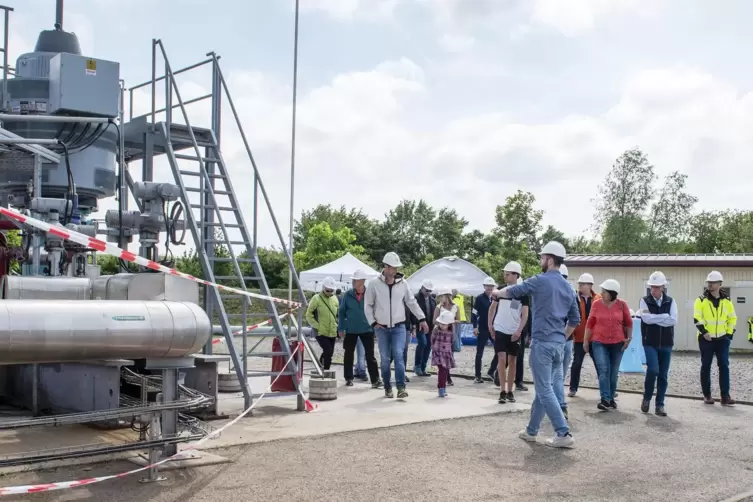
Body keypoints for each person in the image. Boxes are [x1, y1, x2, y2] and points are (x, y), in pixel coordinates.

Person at [493, 241, 579, 448]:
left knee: (544, 389)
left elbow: (514, 291)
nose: (540, 261)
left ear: (549, 260)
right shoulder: (568, 287)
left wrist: (496, 293)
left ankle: (563, 432)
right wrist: (562, 337)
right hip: (559, 344)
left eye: (542, 258)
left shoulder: (540, 280)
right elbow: (575, 320)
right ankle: (532, 430)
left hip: (542, 344)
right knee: (545, 388)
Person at [365, 252, 428, 399]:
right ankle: (387, 387)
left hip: (399, 327)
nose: (394, 271)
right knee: (385, 359)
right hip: (381, 328)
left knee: (399, 355)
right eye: (392, 267)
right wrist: (373, 322)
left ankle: (401, 387)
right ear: (385, 267)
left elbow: (411, 302)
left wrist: (422, 319)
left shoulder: (403, 284)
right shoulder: (374, 284)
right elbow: (368, 305)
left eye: (396, 268)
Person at [584, 279, 632, 411]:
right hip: (599, 341)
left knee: (613, 371)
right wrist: (586, 340)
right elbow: (590, 323)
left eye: (604, 291)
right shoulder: (596, 304)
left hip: (618, 343)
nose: (601, 293)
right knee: (603, 369)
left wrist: (629, 338)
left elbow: (628, 322)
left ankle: (610, 398)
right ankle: (605, 399)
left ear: (612, 293)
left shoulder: (622, 305)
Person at [694, 270, 737, 406]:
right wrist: (704, 332)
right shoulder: (701, 300)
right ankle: (707, 395)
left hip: (722, 339)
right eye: (709, 283)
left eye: (713, 283)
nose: (710, 285)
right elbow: (697, 318)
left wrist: (729, 334)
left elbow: (732, 318)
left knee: (724, 365)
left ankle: (725, 396)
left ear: (720, 284)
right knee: (706, 365)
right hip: (706, 339)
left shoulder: (727, 301)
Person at [488, 261, 529, 404]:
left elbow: (525, 313)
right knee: (501, 359)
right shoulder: (499, 291)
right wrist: (490, 325)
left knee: (513, 361)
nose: (505, 276)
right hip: (500, 329)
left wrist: (519, 331)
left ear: (516, 275)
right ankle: (502, 391)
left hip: (514, 332)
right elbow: (492, 308)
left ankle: (510, 391)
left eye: (508, 274)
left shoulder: (523, 293)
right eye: (504, 274)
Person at [639, 270, 676, 416]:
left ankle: (659, 405)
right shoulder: (644, 301)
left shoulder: (671, 301)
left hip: (666, 343)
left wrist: (656, 318)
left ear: (662, 287)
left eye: (656, 287)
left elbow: (673, 320)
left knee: (663, 375)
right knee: (653, 370)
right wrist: (663, 317)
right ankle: (647, 398)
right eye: (651, 287)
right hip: (650, 342)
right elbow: (646, 319)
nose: (653, 289)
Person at [339, 270, 381, 388]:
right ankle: (348, 378)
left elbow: (377, 309)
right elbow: (341, 312)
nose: (353, 282)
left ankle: (375, 380)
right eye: (353, 280)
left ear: (362, 281)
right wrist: (341, 327)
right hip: (351, 329)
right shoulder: (347, 295)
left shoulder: (370, 294)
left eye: (355, 280)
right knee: (348, 354)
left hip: (367, 328)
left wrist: (376, 324)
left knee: (370, 355)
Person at [568, 273, 600, 398]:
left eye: (582, 284)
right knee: (576, 363)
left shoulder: (598, 299)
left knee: (599, 364)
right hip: (579, 337)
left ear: (589, 285)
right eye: (579, 284)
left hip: (595, 338)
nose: (579, 286)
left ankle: (607, 389)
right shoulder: (575, 298)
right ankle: (573, 388)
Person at [305, 277, 341, 370]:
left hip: (332, 330)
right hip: (320, 331)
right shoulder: (316, 298)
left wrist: (337, 325)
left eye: (331, 290)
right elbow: (309, 314)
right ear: (323, 288)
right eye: (327, 290)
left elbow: (337, 314)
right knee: (328, 351)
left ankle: (321, 365)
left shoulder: (335, 299)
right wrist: (317, 326)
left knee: (330, 352)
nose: (329, 292)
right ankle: (326, 371)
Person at [553, 265, 575, 418]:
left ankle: (558, 404)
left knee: (558, 374)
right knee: (558, 374)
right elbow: (575, 319)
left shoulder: (554, 293)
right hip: (564, 338)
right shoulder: (570, 291)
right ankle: (560, 404)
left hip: (562, 339)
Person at [472, 276, 497, 383]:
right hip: (482, 328)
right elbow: (473, 314)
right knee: (479, 352)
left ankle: (491, 371)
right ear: (484, 286)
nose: (490, 288)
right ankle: (478, 375)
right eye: (488, 286)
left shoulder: (496, 298)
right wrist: (475, 327)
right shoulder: (479, 298)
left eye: (491, 286)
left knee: (499, 350)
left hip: (494, 329)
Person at [434, 287, 459, 386]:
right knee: (441, 357)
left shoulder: (455, 307)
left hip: (450, 333)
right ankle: (445, 377)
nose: (441, 299)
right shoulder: (439, 307)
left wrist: (450, 321)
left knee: (449, 355)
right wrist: (442, 322)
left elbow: (459, 320)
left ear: (447, 296)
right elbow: (434, 320)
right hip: (440, 334)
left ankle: (446, 376)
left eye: (442, 296)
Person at [411, 279, 436, 377]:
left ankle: (423, 367)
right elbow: (412, 312)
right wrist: (414, 325)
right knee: (422, 343)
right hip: (419, 325)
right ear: (422, 288)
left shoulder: (432, 300)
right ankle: (417, 366)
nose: (428, 293)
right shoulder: (415, 298)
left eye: (430, 291)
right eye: (427, 290)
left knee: (428, 345)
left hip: (430, 326)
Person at [432, 310, 456, 398]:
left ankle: (443, 387)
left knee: (445, 371)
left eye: (444, 324)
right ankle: (441, 388)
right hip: (438, 353)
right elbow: (432, 339)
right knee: (442, 370)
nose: (442, 325)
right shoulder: (436, 330)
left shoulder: (451, 332)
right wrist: (434, 349)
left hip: (447, 353)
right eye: (441, 323)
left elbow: (452, 341)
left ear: (449, 324)